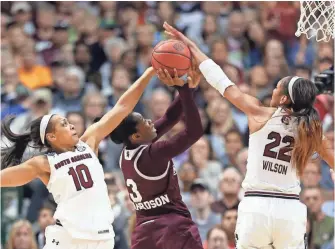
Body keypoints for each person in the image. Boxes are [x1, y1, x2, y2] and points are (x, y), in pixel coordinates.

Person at [163, 22, 334, 249]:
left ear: (283, 99)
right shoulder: (313, 130)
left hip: (256, 206)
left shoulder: (258, 113)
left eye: (277, 88)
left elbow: (222, 82)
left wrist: (192, 47)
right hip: (290, 210)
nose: (272, 90)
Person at [0, 67, 169, 249]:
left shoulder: (89, 142)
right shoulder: (44, 163)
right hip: (68, 238)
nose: (71, 125)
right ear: (52, 137)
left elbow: (122, 107)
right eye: (63, 124)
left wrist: (148, 73)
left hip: (102, 238)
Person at [105, 66, 204, 249]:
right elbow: (194, 131)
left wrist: (187, 88)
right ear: (136, 136)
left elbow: (169, 117)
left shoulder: (128, 152)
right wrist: (184, 91)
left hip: (145, 233)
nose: (150, 121)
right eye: (144, 122)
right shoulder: (153, 154)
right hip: (173, 228)